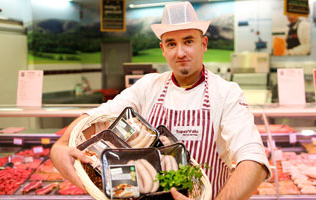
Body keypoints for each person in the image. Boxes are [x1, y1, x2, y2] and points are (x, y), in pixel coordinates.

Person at [50, 2, 270, 199]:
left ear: (203, 44)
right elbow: (99, 116)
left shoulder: (226, 92)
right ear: (163, 49)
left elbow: (253, 160)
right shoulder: (148, 86)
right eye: (171, 44)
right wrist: (60, 146)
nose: (180, 52)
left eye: (188, 41)